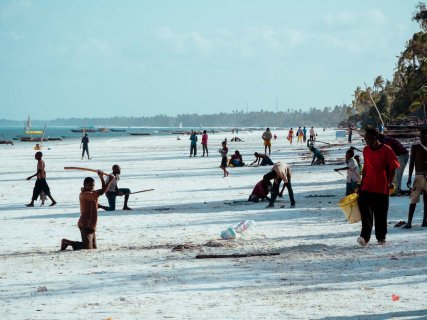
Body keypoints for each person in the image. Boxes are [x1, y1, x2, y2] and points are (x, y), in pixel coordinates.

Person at [357, 128, 399, 247]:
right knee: (365, 213)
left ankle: (381, 237)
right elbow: (365, 168)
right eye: (365, 138)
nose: (365, 140)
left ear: (375, 137)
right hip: (367, 186)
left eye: (367, 138)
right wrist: (361, 183)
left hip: (381, 186)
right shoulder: (366, 150)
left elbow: (393, 166)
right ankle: (365, 237)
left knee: (380, 214)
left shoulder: (387, 150)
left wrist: (390, 182)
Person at [61, 170, 115, 251]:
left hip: (91, 224)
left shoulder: (91, 192)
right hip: (85, 224)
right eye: (89, 186)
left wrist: (101, 177)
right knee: (87, 248)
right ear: (84, 185)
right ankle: (67, 242)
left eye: (93, 186)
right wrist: (109, 180)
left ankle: (72, 243)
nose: (91, 187)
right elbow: (103, 191)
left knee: (93, 247)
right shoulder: (85, 194)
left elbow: (103, 190)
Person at [404, 128, 427, 229]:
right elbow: (411, 163)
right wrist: (409, 177)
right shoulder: (415, 147)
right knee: (413, 199)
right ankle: (409, 222)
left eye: (424, 136)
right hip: (418, 177)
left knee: (426, 201)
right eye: (421, 136)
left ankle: (424, 221)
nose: (422, 138)